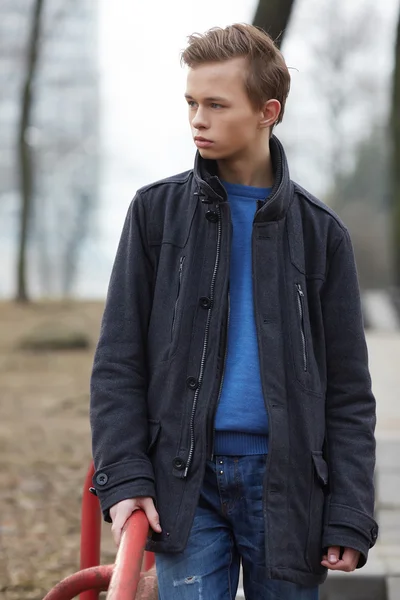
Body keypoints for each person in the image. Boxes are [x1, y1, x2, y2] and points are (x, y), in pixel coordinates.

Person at [90, 23, 378, 600]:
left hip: (290, 489)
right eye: (192, 103)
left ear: (267, 111)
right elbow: (118, 363)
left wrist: (349, 509)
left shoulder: (323, 236)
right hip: (182, 486)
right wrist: (123, 478)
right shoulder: (154, 214)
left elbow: (348, 391)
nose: (198, 119)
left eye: (217, 105)